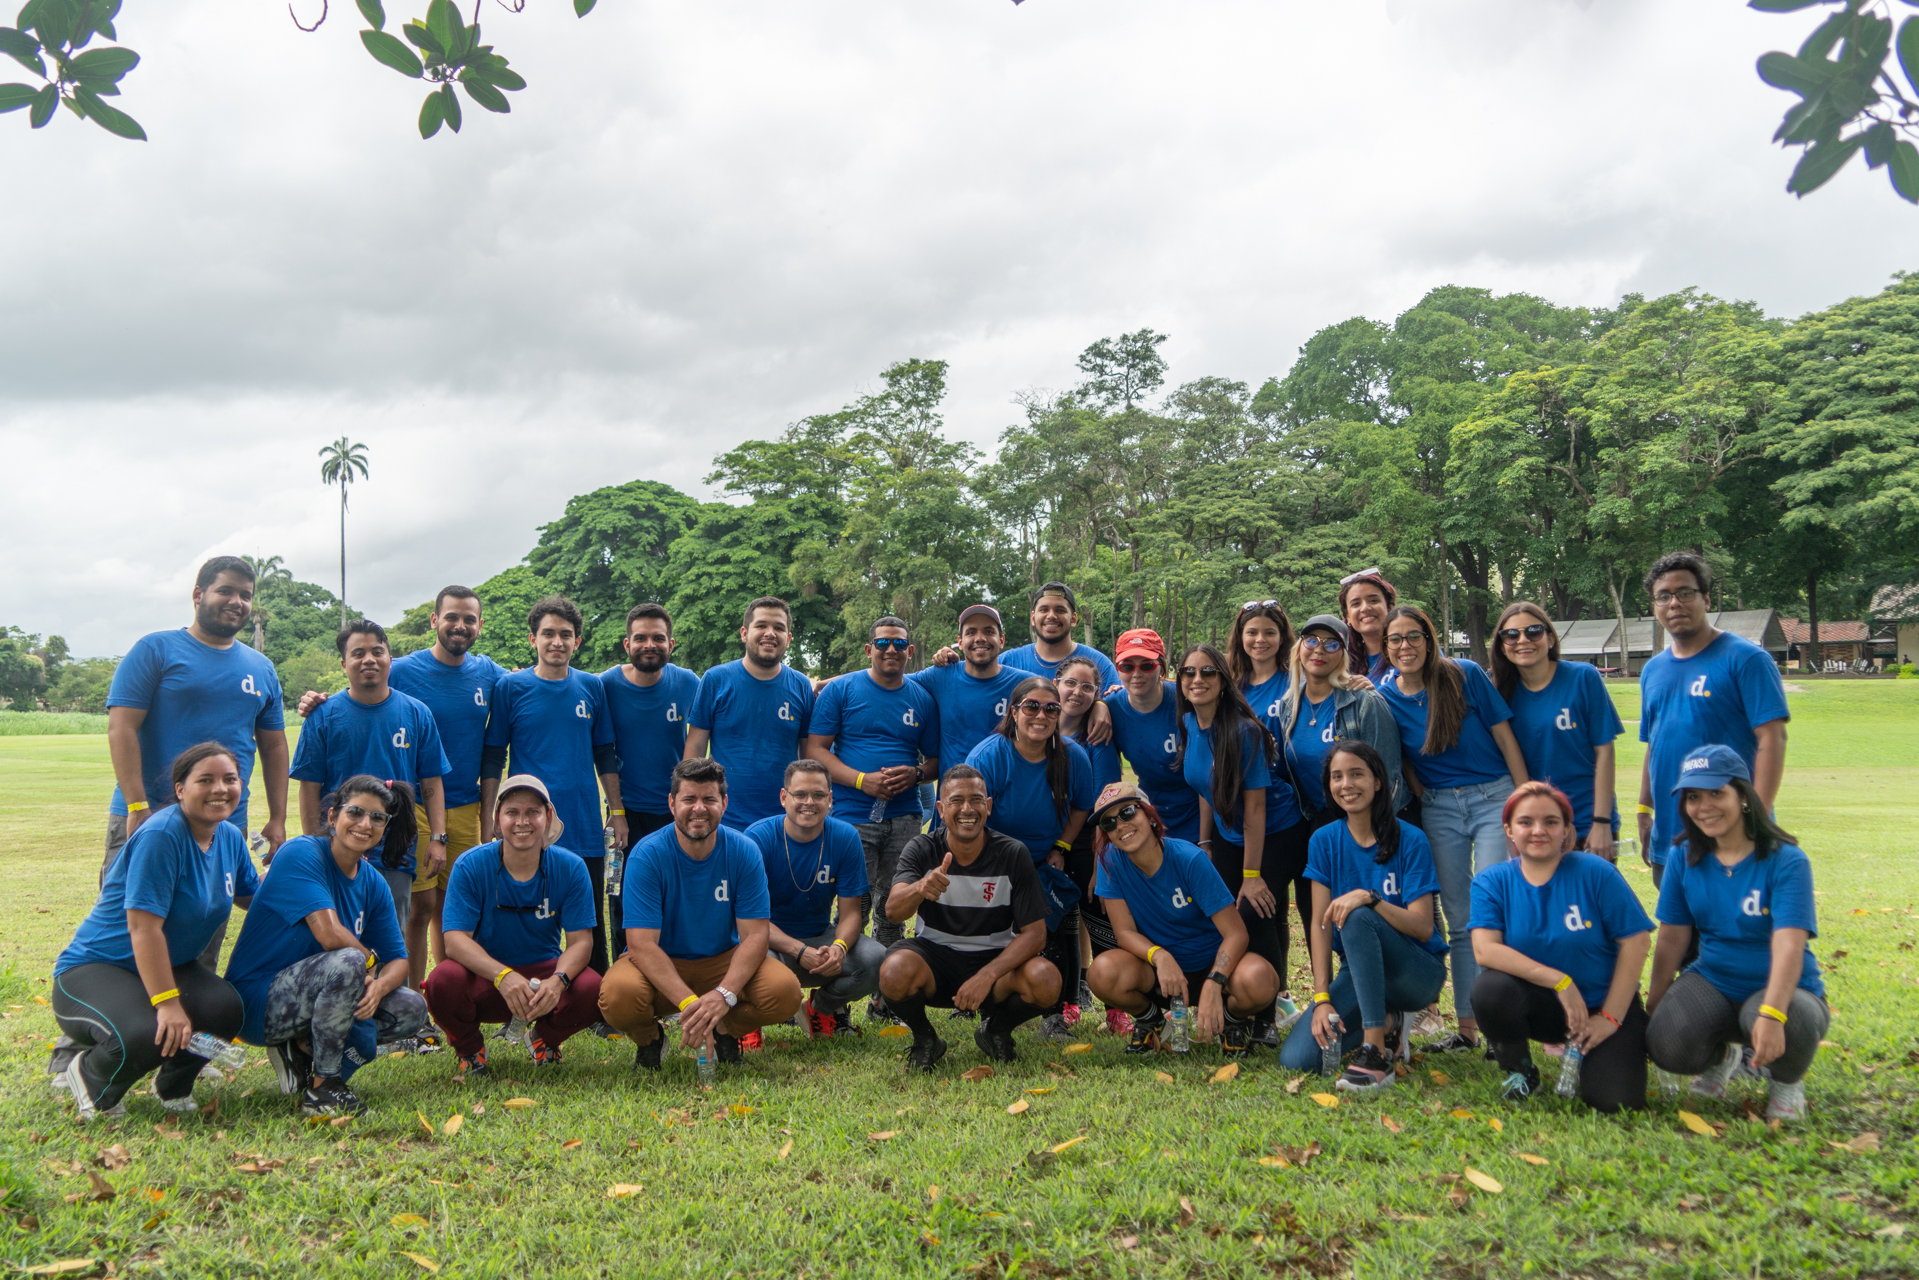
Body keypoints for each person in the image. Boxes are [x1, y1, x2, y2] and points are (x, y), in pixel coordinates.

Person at [53, 743, 258, 1121]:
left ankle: (172, 1087)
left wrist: (308, 904)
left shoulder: (228, 836)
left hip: (171, 963)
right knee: (147, 1031)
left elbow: (252, 896)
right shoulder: (162, 834)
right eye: (206, 780)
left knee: (225, 1009)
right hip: (97, 968)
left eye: (230, 779)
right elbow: (143, 928)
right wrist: (167, 1003)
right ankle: (91, 1078)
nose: (220, 789)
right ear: (180, 789)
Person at [224, 776, 428, 1117]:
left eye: (377, 818)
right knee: (348, 959)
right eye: (356, 812)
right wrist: (369, 962)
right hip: (258, 1002)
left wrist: (378, 987)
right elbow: (330, 935)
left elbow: (400, 962)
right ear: (333, 816)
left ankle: (302, 1055)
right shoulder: (301, 853)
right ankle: (324, 1089)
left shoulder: (373, 882)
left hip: (325, 993)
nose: (365, 824)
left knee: (411, 1007)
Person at [1375, 605, 1529, 1052]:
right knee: (1460, 920)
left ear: (1429, 638)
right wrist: (1427, 795)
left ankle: (1506, 1023)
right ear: (1385, 648)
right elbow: (1401, 757)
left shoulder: (1463, 674)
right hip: (1441, 808)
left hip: (1494, 798)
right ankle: (1467, 1029)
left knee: (1493, 909)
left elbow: (1504, 736)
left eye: (1413, 636)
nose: (1405, 646)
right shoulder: (1386, 695)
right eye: (1395, 640)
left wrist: (1521, 805)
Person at [1645, 745, 1826, 1121]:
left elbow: (1789, 944)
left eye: (1717, 793)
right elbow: (1672, 937)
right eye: (1693, 796)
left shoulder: (1787, 859)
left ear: (1743, 796)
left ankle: (1786, 1082)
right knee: (1667, 1041)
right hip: (1714, 982)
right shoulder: (1683, 857)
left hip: (1783, 991)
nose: (1704, 806)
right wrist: (1656, 1003)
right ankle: (1722, 1059)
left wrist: (1773, 1013)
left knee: (1793, 1020)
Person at [599, 759, 803, 1071]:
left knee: (784, 992)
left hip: (721, 959)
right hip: (662, 961)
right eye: (688, 799)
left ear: (724, 803)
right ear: (671, 803)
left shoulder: (744, 851)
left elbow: (756, 936)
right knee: (616, 996)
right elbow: (641, 945)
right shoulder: (647, 854)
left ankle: (726, 1031)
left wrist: (723, 995)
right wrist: (688, 1004)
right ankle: (649, 1038)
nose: (699, 809)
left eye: (708, 799)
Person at [1469, 782, 1652, 1110]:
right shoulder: (1492, 881)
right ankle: (1521, 1071)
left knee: (1615, 1101)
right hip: (1543, 1004)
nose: (1538, 831)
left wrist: (1610, 1017)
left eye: (1551, 822)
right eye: (1526, 822)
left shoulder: (1597, 872)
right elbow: (1486, 950)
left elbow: (1636, 941)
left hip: (1601, 1004)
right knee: (1489, 989)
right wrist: (1559, 981)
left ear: (1567, 830)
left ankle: (1595, 1053)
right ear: (1509, 830)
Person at [1280, 743, 1448, 1091]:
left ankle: (1375, 1052)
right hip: (1358, 969)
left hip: (1415, 970)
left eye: (1357, 774)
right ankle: (1388, 1021)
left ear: (1378, 782)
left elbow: (1422, 926)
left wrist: (1371, 900)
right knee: (1298, 1058)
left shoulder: (1410, 839)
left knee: (1356, 916)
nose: (1346, 784)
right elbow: (1319, 923)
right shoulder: (1324, 840)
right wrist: (1322, 998)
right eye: (1337, 777)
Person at [877, 765, 1059, 1069]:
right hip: (935, 959)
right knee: (893, 971)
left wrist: (987, 975)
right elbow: (893, 910)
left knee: (1046, 980)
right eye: (956, 801)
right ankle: (925, 1039)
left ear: (988, 806)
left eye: (976, 800)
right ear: (940, 808)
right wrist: (921, 887)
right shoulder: (922, 848)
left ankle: (995, 1030)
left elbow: (1035, 934)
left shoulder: (1013, 853)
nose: (967, 809)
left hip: (995, 963)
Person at [481, 596, 623, 975]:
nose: (557, 641)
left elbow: (605, 753)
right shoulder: (510, 687)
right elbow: (494, 756)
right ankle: (519, 988)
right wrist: (488, 816)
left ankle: (596, 999)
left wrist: (618, 811)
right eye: (548, 634)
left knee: (588, 916)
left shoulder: (592, 687)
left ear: (577, 641)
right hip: (528, 825)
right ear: (533, 639)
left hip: (583, 825)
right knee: (525, 914)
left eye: (566, 634)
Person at [289, 619, 450, 951]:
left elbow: (431, 781)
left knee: (392, 940)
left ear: (390, 658)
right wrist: (314, 844)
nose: (369, 660)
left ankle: (391, 1002)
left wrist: (438, 837)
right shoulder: (323, 716)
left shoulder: (416, 713)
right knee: (335, 943)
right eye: (358, 653)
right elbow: (309, 787)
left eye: (378, 651)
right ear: (344, 663)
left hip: (396, 852)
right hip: (338, 850)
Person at [1084, 783, 1278, 1055]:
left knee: (1260, 979)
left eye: (1128, 812)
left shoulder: (1190, 858)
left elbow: (1236, 934)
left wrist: (1215, 980)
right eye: (1108, 822)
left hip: (1212, 964)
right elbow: (1124, 933)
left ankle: (1232, 1022)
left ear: (1150, 815)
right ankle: (1150, 1021)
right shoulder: (1110, 861)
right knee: (1102, 972)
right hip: (1160, 974)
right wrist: (1159, 956)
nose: (1120, 825)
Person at [426, 775, 602, 1074]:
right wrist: (502, 976)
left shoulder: (571, 867)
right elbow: (455, 941)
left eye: (533, 812)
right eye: (512, 812)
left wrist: (557, 982)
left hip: (541, 980)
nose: (523, 821)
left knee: (592, 987)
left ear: (548, 817)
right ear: (497, 818)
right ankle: (469, 1049)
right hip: (486, 978)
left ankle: (544, 1039)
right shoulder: (470, 864)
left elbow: (581, 943)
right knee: (442, 981)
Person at [1635, 553, 1789, 888]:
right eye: (1664, 596)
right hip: (1671, 840)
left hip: (1733, 835)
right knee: (1677, 939)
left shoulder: (1746, 659)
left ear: (1706, 599)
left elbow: (1772, 738)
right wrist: (1644, 811)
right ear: (1655, 606)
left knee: (1735, 938)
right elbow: (1655, 745)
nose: (1674, 603)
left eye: (1685, 593)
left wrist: (1756, 820)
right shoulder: (1652, 671)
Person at [805, 617, 940, 973]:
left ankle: (886, 997)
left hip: (905, 816)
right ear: (869, 650)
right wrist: (861, 780)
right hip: (852, 815)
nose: (891, 650)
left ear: (910, 652)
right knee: (855, 905)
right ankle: (841, 992)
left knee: (894, 908)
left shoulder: (922, 698)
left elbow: (935, 762)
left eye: (898, 644)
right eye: (882, 643)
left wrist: (916, 774)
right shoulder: (842, 690)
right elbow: (815, 749)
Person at [1175, 642, 1292, 1041]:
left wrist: (1253, 873)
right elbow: (1206, 789)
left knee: (1255, 911)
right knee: (1226, 915)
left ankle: (1265, 1019)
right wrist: (1206, 843)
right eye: (1189, 672)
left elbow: (1255, 808)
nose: (1198, 680)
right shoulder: (1190, 722)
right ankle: (1242, 1001)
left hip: (1274, 834)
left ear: (1224, 681)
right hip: (1227, 834)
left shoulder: (1243, 730)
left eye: (1208, 672)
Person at [745, 760, 881, 1039]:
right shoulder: (758, 838)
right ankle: (746, 1024)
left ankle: (820, 1008)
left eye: (818, 795)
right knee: (751, 964)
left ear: (830, 799)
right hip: (766, 942)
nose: (809, 802)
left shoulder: (845, 837)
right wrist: (798, 950)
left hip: (819, 939)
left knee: (877, 960)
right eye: (800, 794)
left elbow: (851, 913)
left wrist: (840, 947)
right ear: (784, 797)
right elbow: (750, 921)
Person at [600, 603, 702, 957]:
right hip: (620, 816)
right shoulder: (606, 684)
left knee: (676, 894)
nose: (649, 644)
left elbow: (707, 731)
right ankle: (624, 971)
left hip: (675, 813)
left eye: (658, 638)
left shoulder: (688, 682)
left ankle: (675, 977)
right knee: (618, 893)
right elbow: (603, 751)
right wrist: (617, 812)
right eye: (640, 638)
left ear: (671, 644)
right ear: (627, 644)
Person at [1489, 602, 1623, 860]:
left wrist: (1602, 822)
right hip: (1536, 828)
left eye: (1534, 631)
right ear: (1501, 646)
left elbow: (1605, 752)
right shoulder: (1499, 696)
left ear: (1550, 637)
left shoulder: (1583, 678)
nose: (1523, 640)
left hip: (1587, 821)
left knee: (1592, 900)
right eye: (1511, 635)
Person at [686, 596, 816, 832]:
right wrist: (691, 799)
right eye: (761, 625)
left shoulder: (801, 685)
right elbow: (695, 748)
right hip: (725, 819)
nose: (770, 633)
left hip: (784, 821)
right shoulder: (716, 680)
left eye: (779, 628)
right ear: (744, 633)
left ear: (789, 638)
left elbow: (808, 757)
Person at [1053, 653, 1123, 1027]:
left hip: (1089, 841)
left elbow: (1105, 801)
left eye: (1087, 687)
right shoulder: (1036, 727)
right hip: (1047, 842)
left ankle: (1115, 1007)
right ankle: (1067, 1000)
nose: (1077, 692)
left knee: (1099, 916)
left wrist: (1099, 861)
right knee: (1060, 920)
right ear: (1055, 685)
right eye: (1070, 683)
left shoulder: (1098, 737)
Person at [908, 605, 1031, 780]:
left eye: (989, 631)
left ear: (1002, 640)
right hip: (952, 800)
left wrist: (1086, 716)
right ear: (959, 642)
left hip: (1006, 799)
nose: (980, 638)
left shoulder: (1024, 684)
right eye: (971, 632)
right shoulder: (941, 675)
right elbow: (894, 684)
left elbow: (1061, 703)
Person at [1103, 628, 1199, 841]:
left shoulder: (1187, 701)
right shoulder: (1109, 709)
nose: (1136, 674)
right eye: (1127, 666)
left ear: (1162, 668)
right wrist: (1098, 705)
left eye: (1147, 666)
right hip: (1150, 813)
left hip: (1199, 810)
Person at [1000, 582, 1122, 690]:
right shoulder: (1007, 662)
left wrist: (1101, 704)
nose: (1051, 616)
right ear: (1033, 618)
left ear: (1073, 619)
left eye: (1060, 610)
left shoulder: (1099, 664)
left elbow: (1116, 705)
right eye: (1044, 610)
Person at [1337, 568, 1397, 681]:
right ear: (1348, 617)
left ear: (1389, 608)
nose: (1365, 608)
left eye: (1373, 600)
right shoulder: (1342, 662)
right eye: (1356, 604)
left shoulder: (1411, 648)